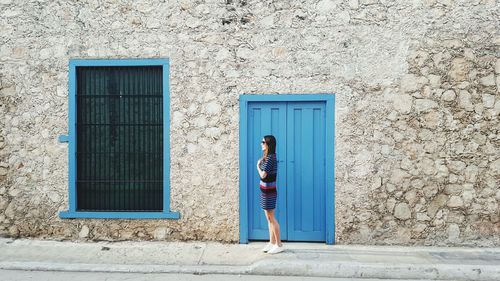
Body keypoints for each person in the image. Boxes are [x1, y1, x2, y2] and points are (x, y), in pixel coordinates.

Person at [256, 135, 284, 254]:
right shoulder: (267, 157)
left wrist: (257, 166)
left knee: (271, 218)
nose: (261, 144)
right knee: (269, 218)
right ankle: (272, 242)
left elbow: (263, 175)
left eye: (263, 142)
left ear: (268, 144)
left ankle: (279, 244)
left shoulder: (271, 158)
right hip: (265, 190)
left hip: (269, 191)